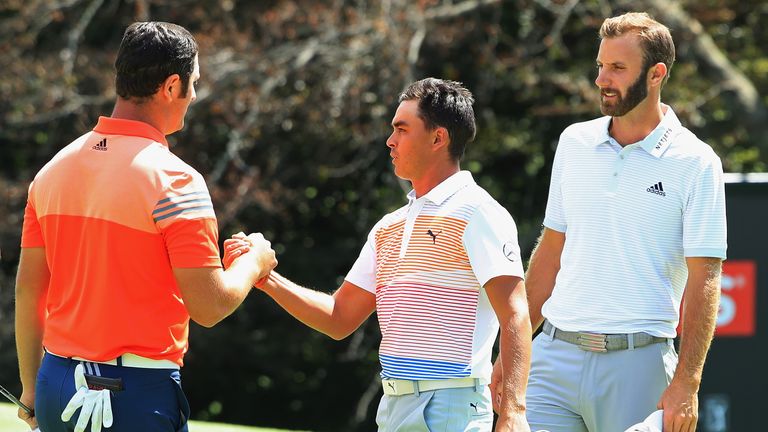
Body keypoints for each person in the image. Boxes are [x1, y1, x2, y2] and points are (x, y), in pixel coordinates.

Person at [225, 78, 532, 431]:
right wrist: (266, 278)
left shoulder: (478, 212)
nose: (390, 141)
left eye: (402, 129)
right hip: (393, 407)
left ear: (438, 138)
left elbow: (515, 315)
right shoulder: (389, 226)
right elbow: (339, 317)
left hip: (453, 406)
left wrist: (513, 412)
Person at [15, 21, 276, 432]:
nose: (194, 96)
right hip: (134, 391)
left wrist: (31, 389)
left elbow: (30, 290)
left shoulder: (52, 171)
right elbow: (209, 306)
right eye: (194, 84)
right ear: (172, 87)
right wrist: (255, 262)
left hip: (56, 383)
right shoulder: (176, 180)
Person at [521, 12, 727, 432]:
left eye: (617, 68)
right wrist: (512, 353)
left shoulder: (698, 162)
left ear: (656, 75)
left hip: (640, 366)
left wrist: (687, 383)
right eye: (600, 65)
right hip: (552, 358)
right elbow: (551, 252)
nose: (601, 79)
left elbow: (704, 280)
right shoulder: (573, 142)